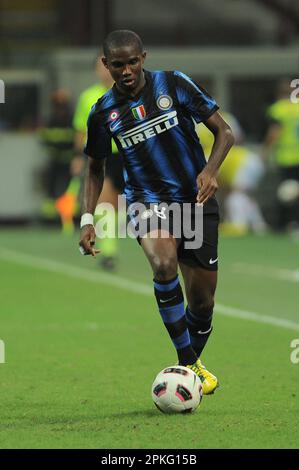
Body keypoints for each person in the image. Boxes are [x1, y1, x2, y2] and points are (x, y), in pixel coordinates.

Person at [79, 30, 234, 395]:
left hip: (195, 202)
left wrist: (210, 171)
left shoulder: (175, 84)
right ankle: (190, 364)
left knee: (202, 300)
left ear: (143, 58)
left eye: (133, 62)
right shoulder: (102, 112)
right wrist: (88, 219)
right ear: (106, 65)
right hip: (147, 202)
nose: (127, 70)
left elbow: (224, 133)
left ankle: (185, 371)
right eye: (118, 65)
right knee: (164, 265)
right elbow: (94, 167)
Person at [73, 58, 124, 270]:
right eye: (100, 67)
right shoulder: (88, 97)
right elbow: (80, 131)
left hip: (130, 154)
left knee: (137, 205)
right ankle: (109, 253)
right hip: (105, 156)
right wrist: (78, 157)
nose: (104, 71)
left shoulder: (129, 93)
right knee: (106, 204)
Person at [263, 79, 299, 231]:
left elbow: (275, 131)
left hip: (287, 157)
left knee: (287, 192)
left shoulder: (278, 109)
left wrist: (265, 150)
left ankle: (289, 223)